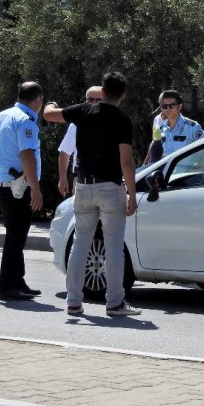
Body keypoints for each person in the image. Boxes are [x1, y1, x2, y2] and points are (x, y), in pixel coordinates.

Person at [43, 71, 140, 317]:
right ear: (124, 95)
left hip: (83, 186)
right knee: (114, 246)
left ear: (103, 92)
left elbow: (48, 114)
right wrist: (132, 193)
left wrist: (51, 104)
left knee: (80, 244)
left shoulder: (83, 111)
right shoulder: (122, 120)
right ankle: (115, 302)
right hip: (110, 188)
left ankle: (74, 302)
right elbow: (126, 162)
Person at [0, 82, 44, 301]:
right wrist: (35, 188)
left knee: (16, 235)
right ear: (37, 100)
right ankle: (6, 286)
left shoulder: (0, 117)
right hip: (18, 187)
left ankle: (17, 281)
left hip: (1, 185)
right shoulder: (26, 121)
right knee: (16, 237)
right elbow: (27, 155)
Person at [57, 86, 103, 197]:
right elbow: (65, 153)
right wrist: (62, 178)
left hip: (108, 181)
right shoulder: (75, 125)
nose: (94, 103)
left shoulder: (115, 122)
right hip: (82, 181)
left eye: (99, 100)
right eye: (91, 100)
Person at [144, 90, 204, 163]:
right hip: (167, 173)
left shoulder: (191, 127)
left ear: (180, 106)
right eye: (164, 106)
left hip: (186, 173)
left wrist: (199, 168)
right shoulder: (161, 129)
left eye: (172, 105)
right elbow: (155, 151)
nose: (168, 109)